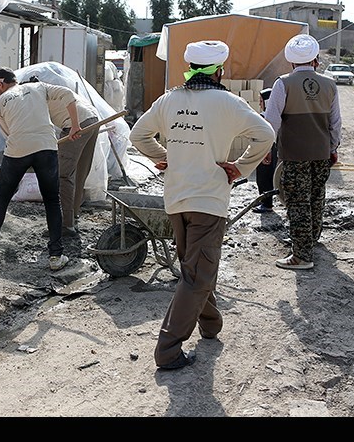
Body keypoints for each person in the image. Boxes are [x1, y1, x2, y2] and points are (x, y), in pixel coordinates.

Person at [129, 40, 275, 370]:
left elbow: (138, 135)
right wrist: (241, 167)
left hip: (176, 198)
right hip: (208, 200)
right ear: (219, 70)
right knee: (197, 274)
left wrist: (163, 157)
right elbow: (265, 134)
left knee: (194, 269)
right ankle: (167, 350)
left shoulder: (169, 100)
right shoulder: (228, 102)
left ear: (191, 68)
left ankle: (210, 324)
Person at [0, 67, 82, 271]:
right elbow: (67, 95)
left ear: (0, 84)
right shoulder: (39, 87)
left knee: (1, 199)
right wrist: (75, 125)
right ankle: (56, 256)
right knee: (52, 200)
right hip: (46, 147)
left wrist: (20, 152)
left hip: (17, 149)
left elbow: (8, 134)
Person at [264, 33, 342, 271]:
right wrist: (333, 148)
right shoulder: (330, 85)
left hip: (295, 155)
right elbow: (335, 123)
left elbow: (271, 122)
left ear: (291, 62)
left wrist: (267, 149)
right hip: (321, 153)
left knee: (297, 202)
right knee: (316, 198)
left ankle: (302, 255)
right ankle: (310, 240)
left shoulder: (283, 83)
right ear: (316, 60)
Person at [46, 83, 101, 237]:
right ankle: (73, 217)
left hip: (77, 124)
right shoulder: (50, 89)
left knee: (64, 175)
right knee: (79, 173)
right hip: (92, 119)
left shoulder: (35, 98)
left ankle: (66, 225)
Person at [252, 88, 278, 213]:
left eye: (261, 101)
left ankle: (266, 204)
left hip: (266, 150)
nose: (259, 104)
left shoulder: (266, 117)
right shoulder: (276, 117)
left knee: (264, 178)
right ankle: (264, 201)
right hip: (268, 149)